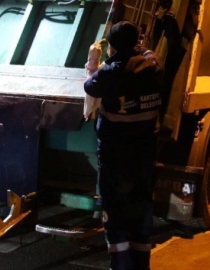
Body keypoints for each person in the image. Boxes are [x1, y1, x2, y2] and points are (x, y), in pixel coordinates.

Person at [84, 21, 163, 270]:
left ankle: (120, 266)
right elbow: (148, 53)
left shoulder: (111, 72)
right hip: (143, 157)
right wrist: (137, 46)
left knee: (116, 215)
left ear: (114, 47)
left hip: (116, 160)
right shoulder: (153, 65)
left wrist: (93, 62)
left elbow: (90, 86)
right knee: (140, 214)